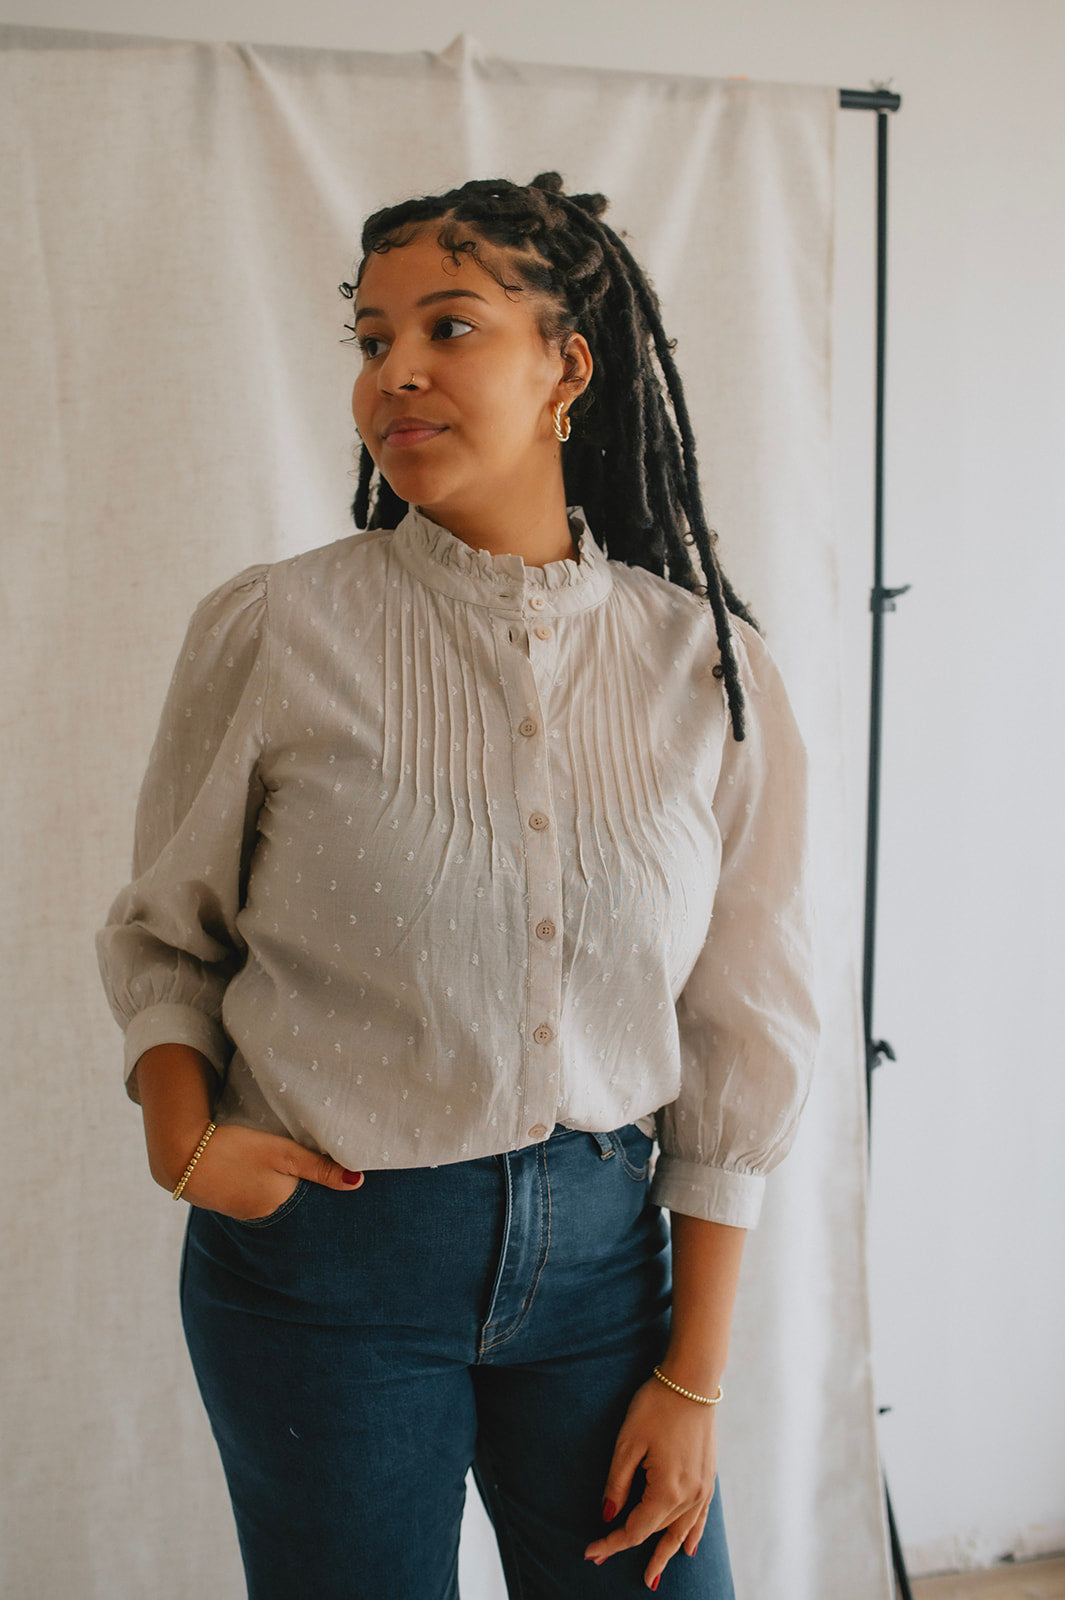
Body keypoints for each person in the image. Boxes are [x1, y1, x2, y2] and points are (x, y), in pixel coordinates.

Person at [96, 171, 819, 1600]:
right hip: (323, 1273)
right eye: (372, 340)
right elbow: (168, 939)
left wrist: (694, 1377)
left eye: (450, 326)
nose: (397, 372)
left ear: (569, 367)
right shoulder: (278, 627)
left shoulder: (706, 670)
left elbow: (743, 1026)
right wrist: (182, 1141)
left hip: (610, 1278)